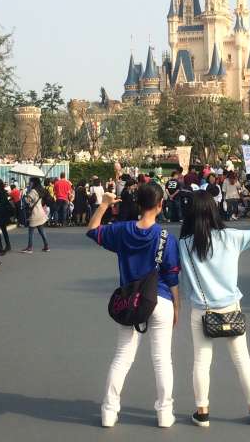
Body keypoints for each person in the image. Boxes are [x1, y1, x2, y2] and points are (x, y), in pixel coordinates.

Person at [87, 183, 180, 428]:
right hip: (160, 299)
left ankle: (109, 411)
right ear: (160, 205)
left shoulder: (122, 231)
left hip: (131, 301)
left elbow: (93, 230)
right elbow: (172, 277)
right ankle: (164, 413)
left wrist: (104, 204)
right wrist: (177, 306)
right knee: (162, 360)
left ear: (138, 204)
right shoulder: (166, 238)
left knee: (122, 357)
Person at [179, 188, 250, 427]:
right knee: (242, 359)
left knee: (201, 361)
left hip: (202, 309)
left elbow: (182, 280)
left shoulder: (185, 244)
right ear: (213, 209)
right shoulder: (231, 237)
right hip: (231, 307)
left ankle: (202, 412)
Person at [20, 177, 50, 253]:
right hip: (40, 212)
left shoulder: (33, 191)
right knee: (41, 231)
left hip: (35, 213)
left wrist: (25, 193)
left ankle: (29, 248)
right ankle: (46, 246)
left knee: (31, 232)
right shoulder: (40, 190)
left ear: (33, 182)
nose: (29, 183)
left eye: (30, 182)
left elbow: (27, 201)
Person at [0, 178, 13, 253]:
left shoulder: (0, 193)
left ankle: (0, 245)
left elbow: (1, 204)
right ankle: (7, 245)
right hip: (3, 214)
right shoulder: (1, 192)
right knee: (3, 230)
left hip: (2, 214)